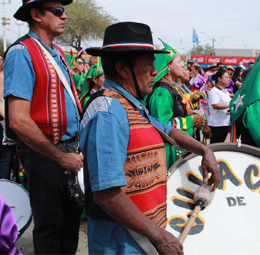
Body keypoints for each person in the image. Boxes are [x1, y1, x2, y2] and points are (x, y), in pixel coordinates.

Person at [81, 22, 220, 255]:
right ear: (123, 69)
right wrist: (158, 236)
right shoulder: (107, 113)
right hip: (120, 242)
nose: (156, 72)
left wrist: (205, 151)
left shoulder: (132, 106)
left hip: (141, 237)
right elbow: (107, 195)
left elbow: (167, 130)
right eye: (148, 67)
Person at [3, 0, 83, 253]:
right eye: (58, 11)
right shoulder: (21, 52)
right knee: (50, 227)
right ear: (36, 14)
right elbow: (17, 120)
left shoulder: (56, 52)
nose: (65, 16)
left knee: (70, 224)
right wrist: (60, 157)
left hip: (67, 149)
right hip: (45, 153)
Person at [147, 39, 199, 168]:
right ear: (167, 67)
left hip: (179, 147)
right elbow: (161, 125)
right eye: (179, 61)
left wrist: (189, 113)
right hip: (170, 152)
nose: (183, 65)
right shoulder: (162, 92)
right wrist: (191, 120)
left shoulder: (172, 87)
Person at [208, 69, 231, 143]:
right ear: (219, 78)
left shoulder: (225, 91)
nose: (228, 79)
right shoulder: (214, 91)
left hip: (224, 123)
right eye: (226, 77)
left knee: (221, 145)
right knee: (215, 146)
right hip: (216, 124)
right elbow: (215, 105)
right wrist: (230, 105)